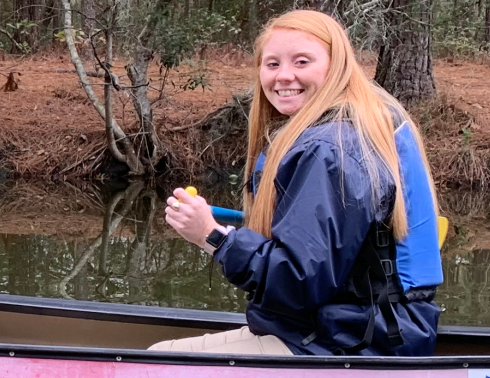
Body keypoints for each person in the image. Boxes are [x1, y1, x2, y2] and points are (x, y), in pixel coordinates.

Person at [157, 10, 444, 356]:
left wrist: (213, 236)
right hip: (359, 329)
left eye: (302, 61)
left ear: (335, 66)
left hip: (354, 342)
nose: (284, 76)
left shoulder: (329, 149)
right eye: (272, 64)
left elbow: (297, 281)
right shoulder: (348, 131)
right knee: (158, 352)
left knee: (155, 360)